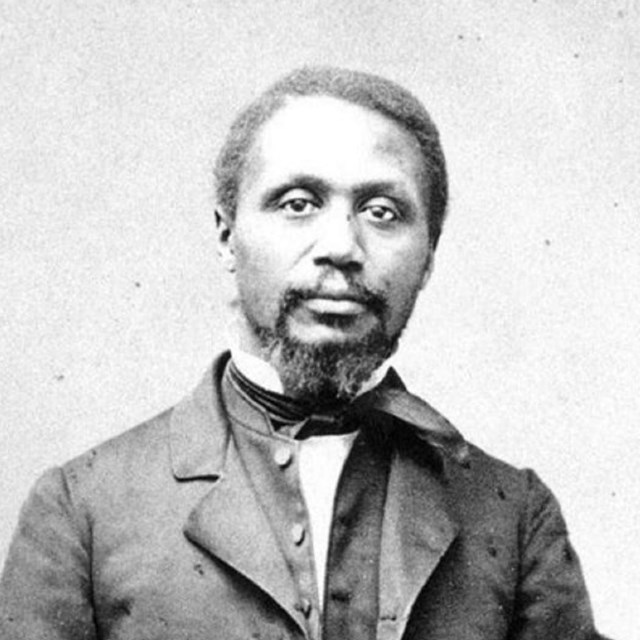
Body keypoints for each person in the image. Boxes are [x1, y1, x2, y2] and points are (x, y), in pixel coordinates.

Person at [0, 67, 603, 640]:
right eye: (297, 203)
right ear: (226, 235)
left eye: (381, 212)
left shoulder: (516, 519)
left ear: (429, 256)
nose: (341, 245)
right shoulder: (82, 511)